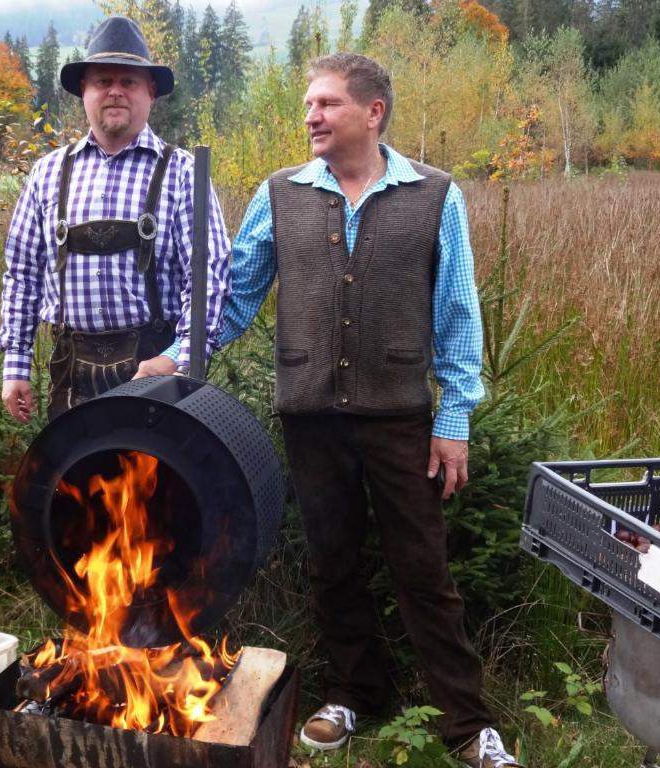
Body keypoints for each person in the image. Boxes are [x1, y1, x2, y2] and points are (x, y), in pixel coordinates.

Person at [216, 53, 523, 768]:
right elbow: (234, 299)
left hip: (400, 418)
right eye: (308, 104)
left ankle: (466, 724)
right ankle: (353, 693)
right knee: (332, 562)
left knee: (423, 567)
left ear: (372, 112)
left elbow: (458, 314)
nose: (311, 116)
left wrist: (454, 421)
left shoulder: (434, 195)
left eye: (326, 103)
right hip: (310, 416)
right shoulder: (280, 193)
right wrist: (177, 354)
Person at [0, 16, 230, 422]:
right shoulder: (47, 173)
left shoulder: (183, 172)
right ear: (84, 91)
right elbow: (22, 274)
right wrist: (16, 363)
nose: (115, 91)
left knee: (157, 466)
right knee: (75, 466)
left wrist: (182, 359)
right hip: (71, 376)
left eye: (129, 82)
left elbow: (208, 275)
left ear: (151, 91)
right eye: (103, 81)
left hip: (159, 372)